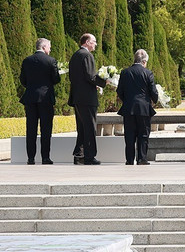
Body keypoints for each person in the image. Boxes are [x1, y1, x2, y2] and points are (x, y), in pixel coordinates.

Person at [19, 38, 60, 165]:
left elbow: (23, 80)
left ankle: (30, 158)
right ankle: (45, 157)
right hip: (46, 98)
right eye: (49, 47)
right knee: (46, 129)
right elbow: (56, 79)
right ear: (44, 47)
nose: (50, 49)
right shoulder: (51, 61)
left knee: (30, 128)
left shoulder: (27, 60)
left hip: (30, 98)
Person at [68, 34, 107, 165]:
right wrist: (104, 81)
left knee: (82, 127)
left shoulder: (75, 55)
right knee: (90, 127)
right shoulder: (87, 56)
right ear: (87, 42)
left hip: (78, 97)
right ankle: (89, 156)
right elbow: (90, 76)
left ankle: (79, 154)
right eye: (94, 42)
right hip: (87, 98)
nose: (95, 44)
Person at [116, 49, 159, 165]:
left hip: (129, 108)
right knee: (143, 134)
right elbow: (153, 91)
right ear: (144, 61)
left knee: (129, 135)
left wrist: (127, 100)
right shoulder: (148, 73)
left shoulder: (125, 72)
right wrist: (154, 100)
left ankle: (129, 159)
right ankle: (142, 158)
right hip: (144, 108)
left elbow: (119, 90)